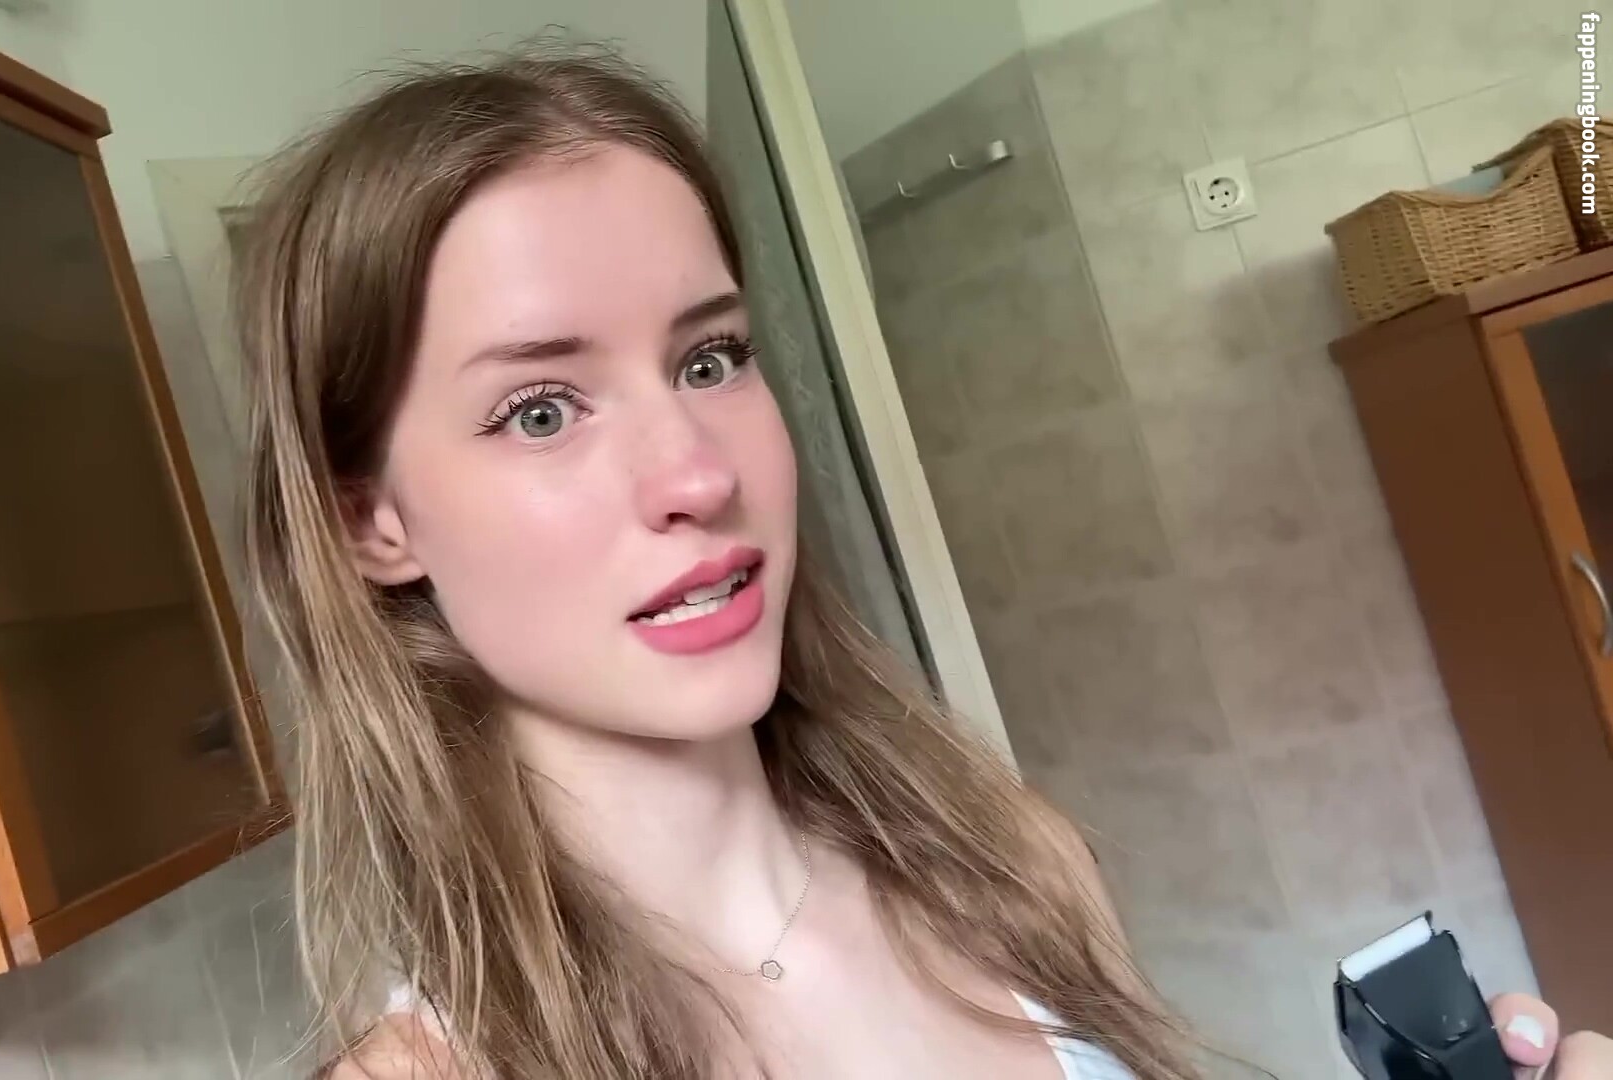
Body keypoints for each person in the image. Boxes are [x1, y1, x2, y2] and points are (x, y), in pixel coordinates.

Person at [232, 46, 1612, 1080]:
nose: (698, 475)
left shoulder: (1010, 869)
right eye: (542, 410)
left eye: (710, 359)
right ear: (370, 521)